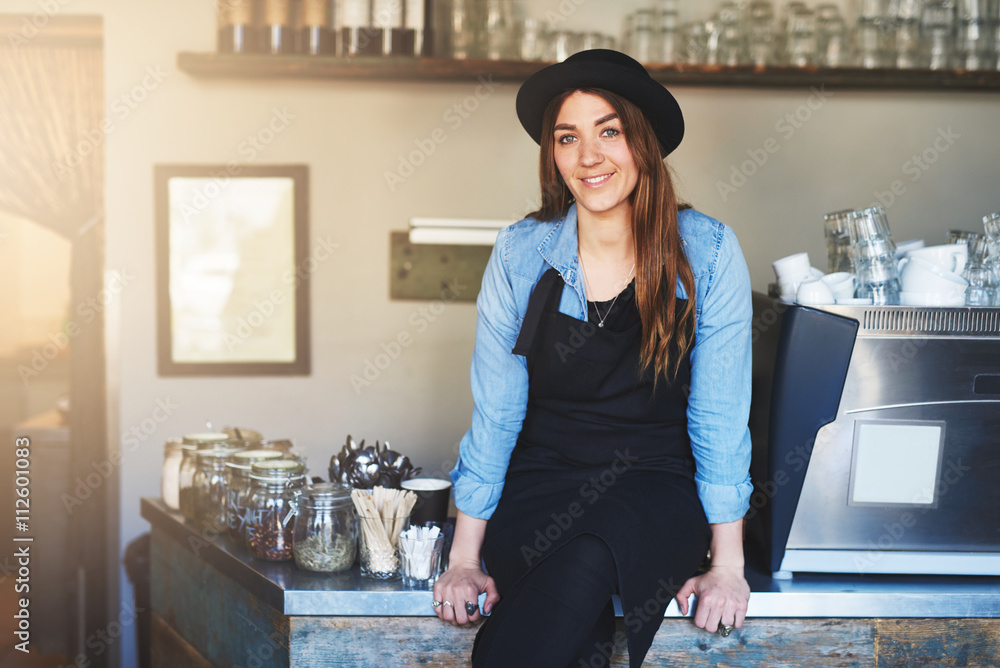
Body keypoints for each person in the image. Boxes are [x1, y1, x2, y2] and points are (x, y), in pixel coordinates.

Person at [432, 49, 753, 668]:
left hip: (655, 487)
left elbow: (718, 415)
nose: (588, 156)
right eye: (567, 137)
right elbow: (497, 412)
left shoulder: (708, 251)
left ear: (644, 142)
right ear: (552, 155)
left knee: (586, 556)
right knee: (567, 589)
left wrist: (728, 566)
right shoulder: (521, 254)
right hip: (542, 484)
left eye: (610, 131)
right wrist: (464, 559)